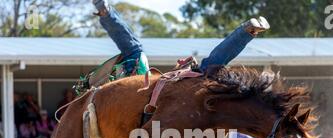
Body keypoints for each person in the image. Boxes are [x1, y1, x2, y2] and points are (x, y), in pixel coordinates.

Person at [92, 0, 270, 76]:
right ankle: (247, 31)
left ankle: (106, 13)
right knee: (211, 64)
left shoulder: (162, 80)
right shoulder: (155, 81)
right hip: (148, 86)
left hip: (152, 87)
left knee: (135, 50)